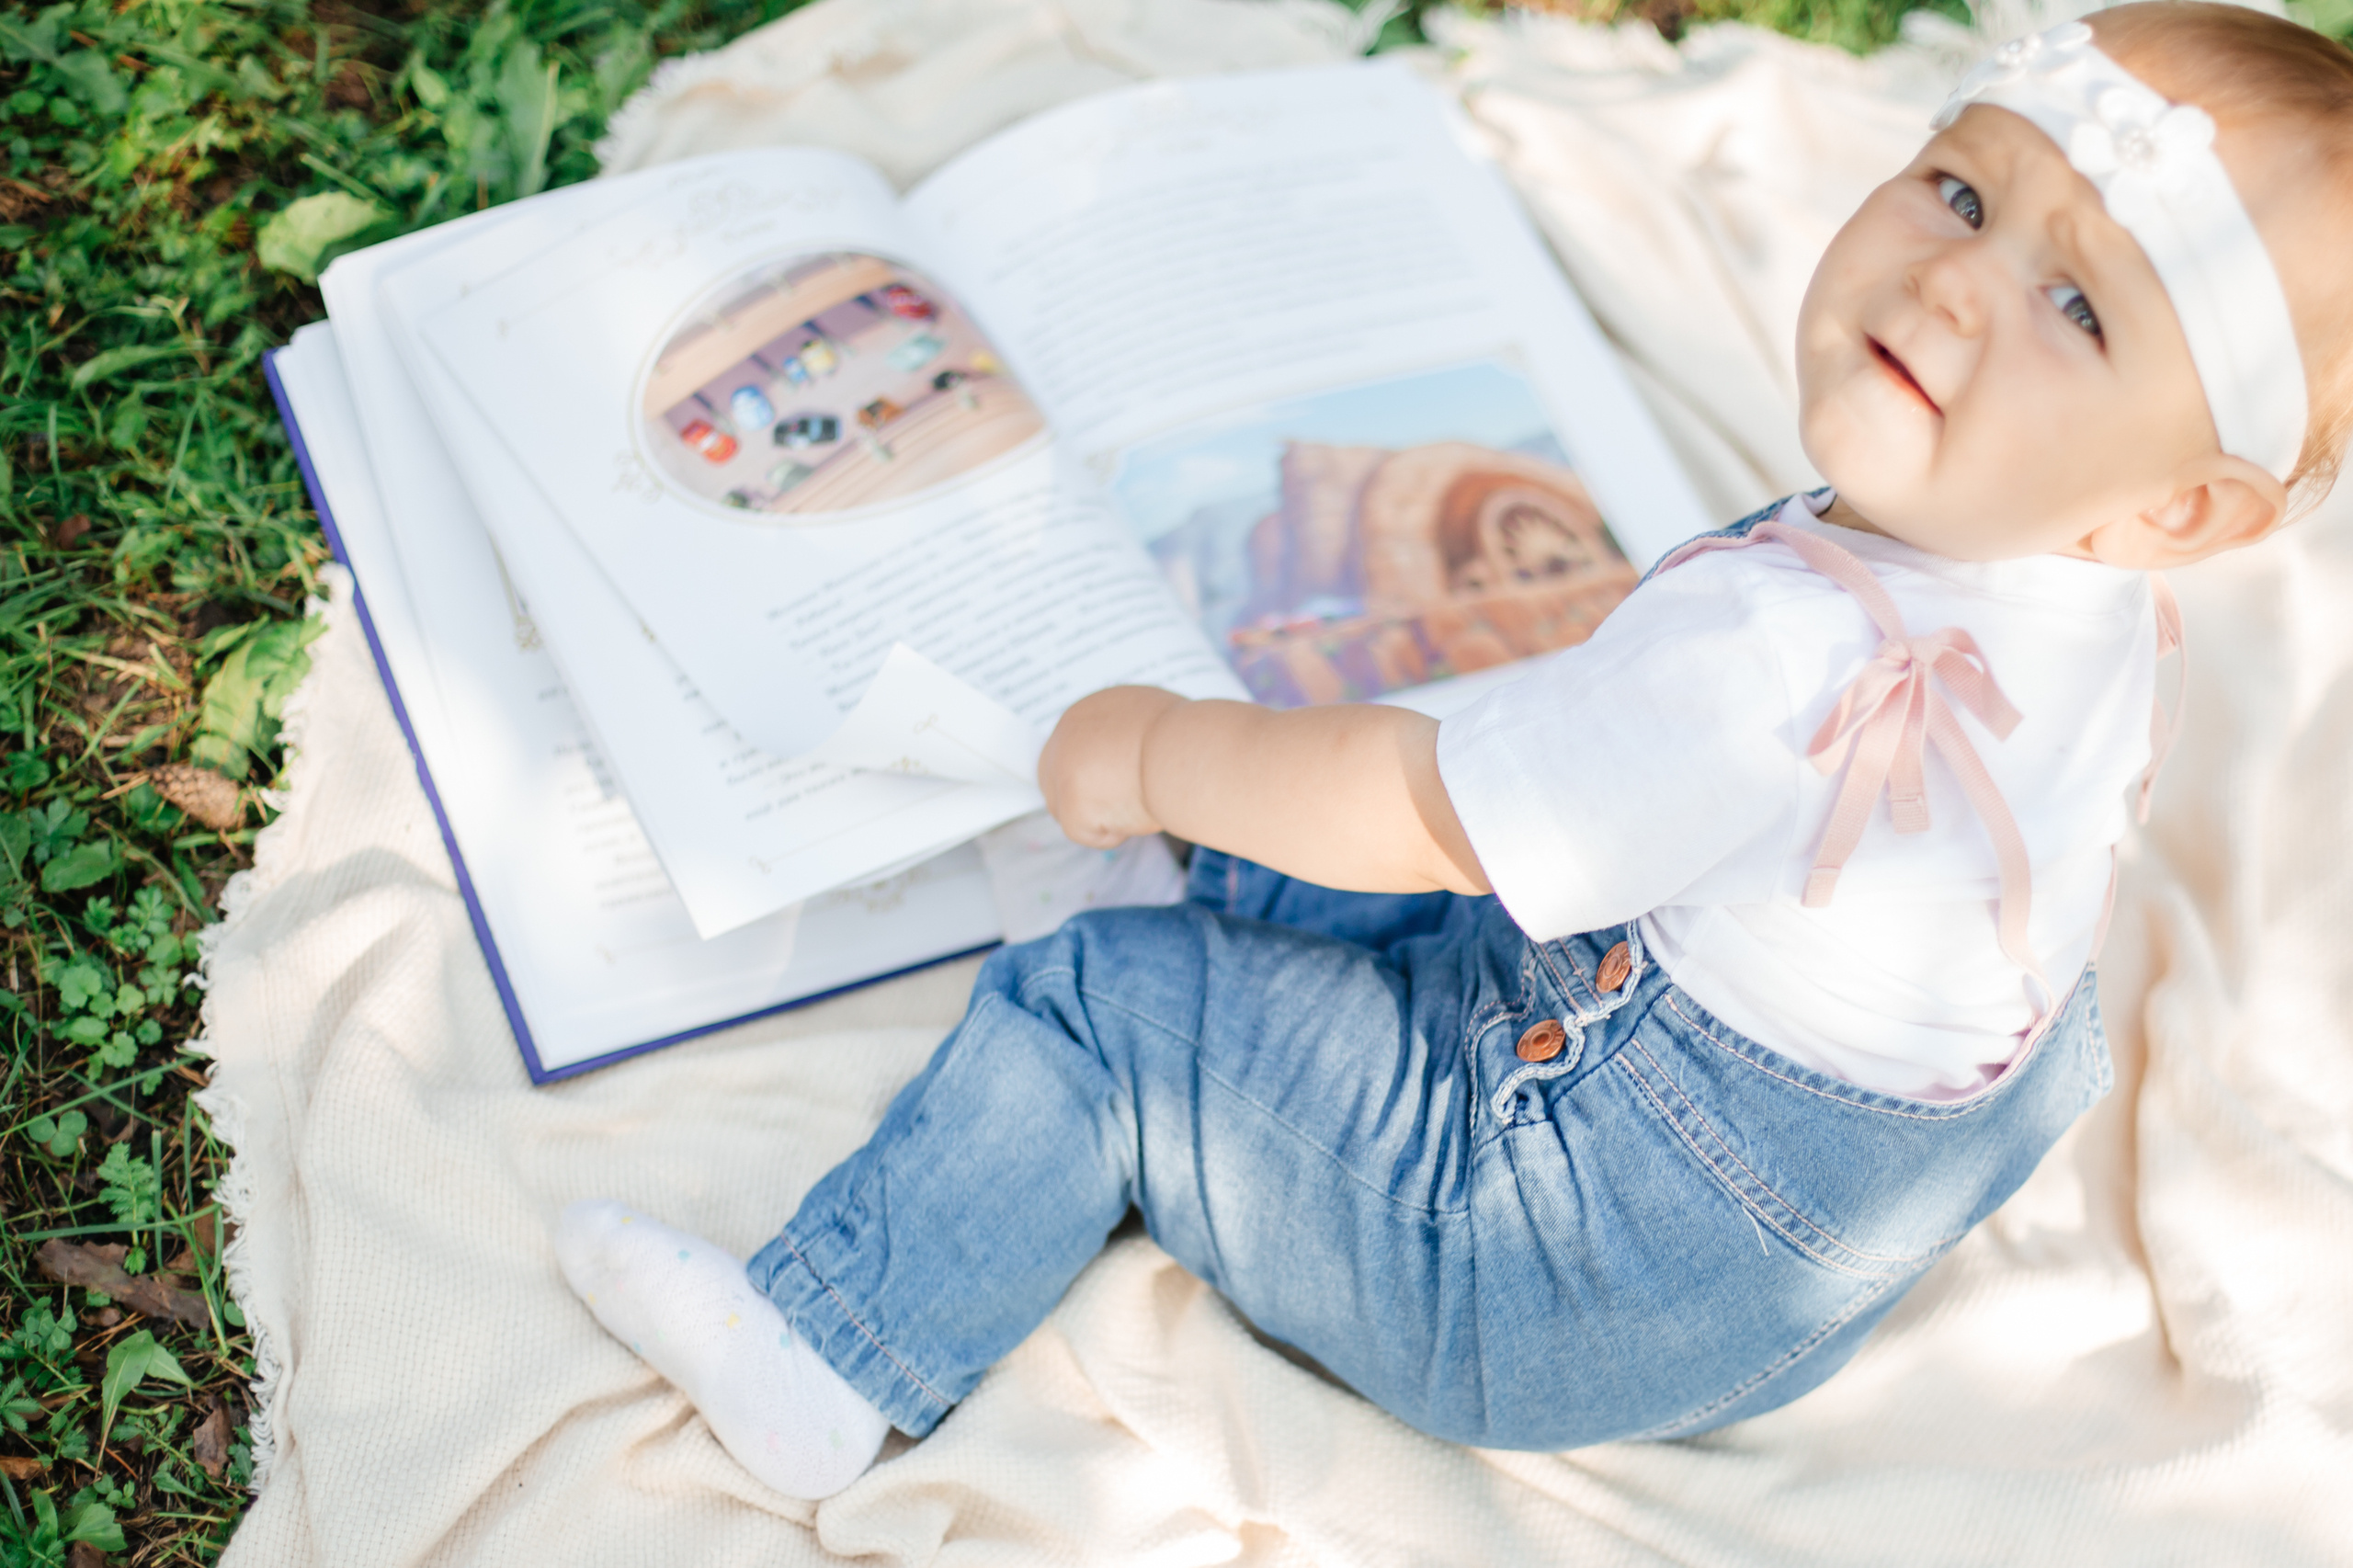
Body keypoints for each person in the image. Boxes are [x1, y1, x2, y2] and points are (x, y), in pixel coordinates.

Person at [551, 4, 2353, 1501]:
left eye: (2078, 307)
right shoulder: (2096, 594)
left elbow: (1422, 807)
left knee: (1104, 1000)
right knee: (1318, 858)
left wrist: (1156, 750)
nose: (1952, 288)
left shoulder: (1770, 657)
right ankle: (1230, 902)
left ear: (2176, 503)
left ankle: (823, 1351)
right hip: (1821, 1235)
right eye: (1958, 188)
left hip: (1540, 1266)